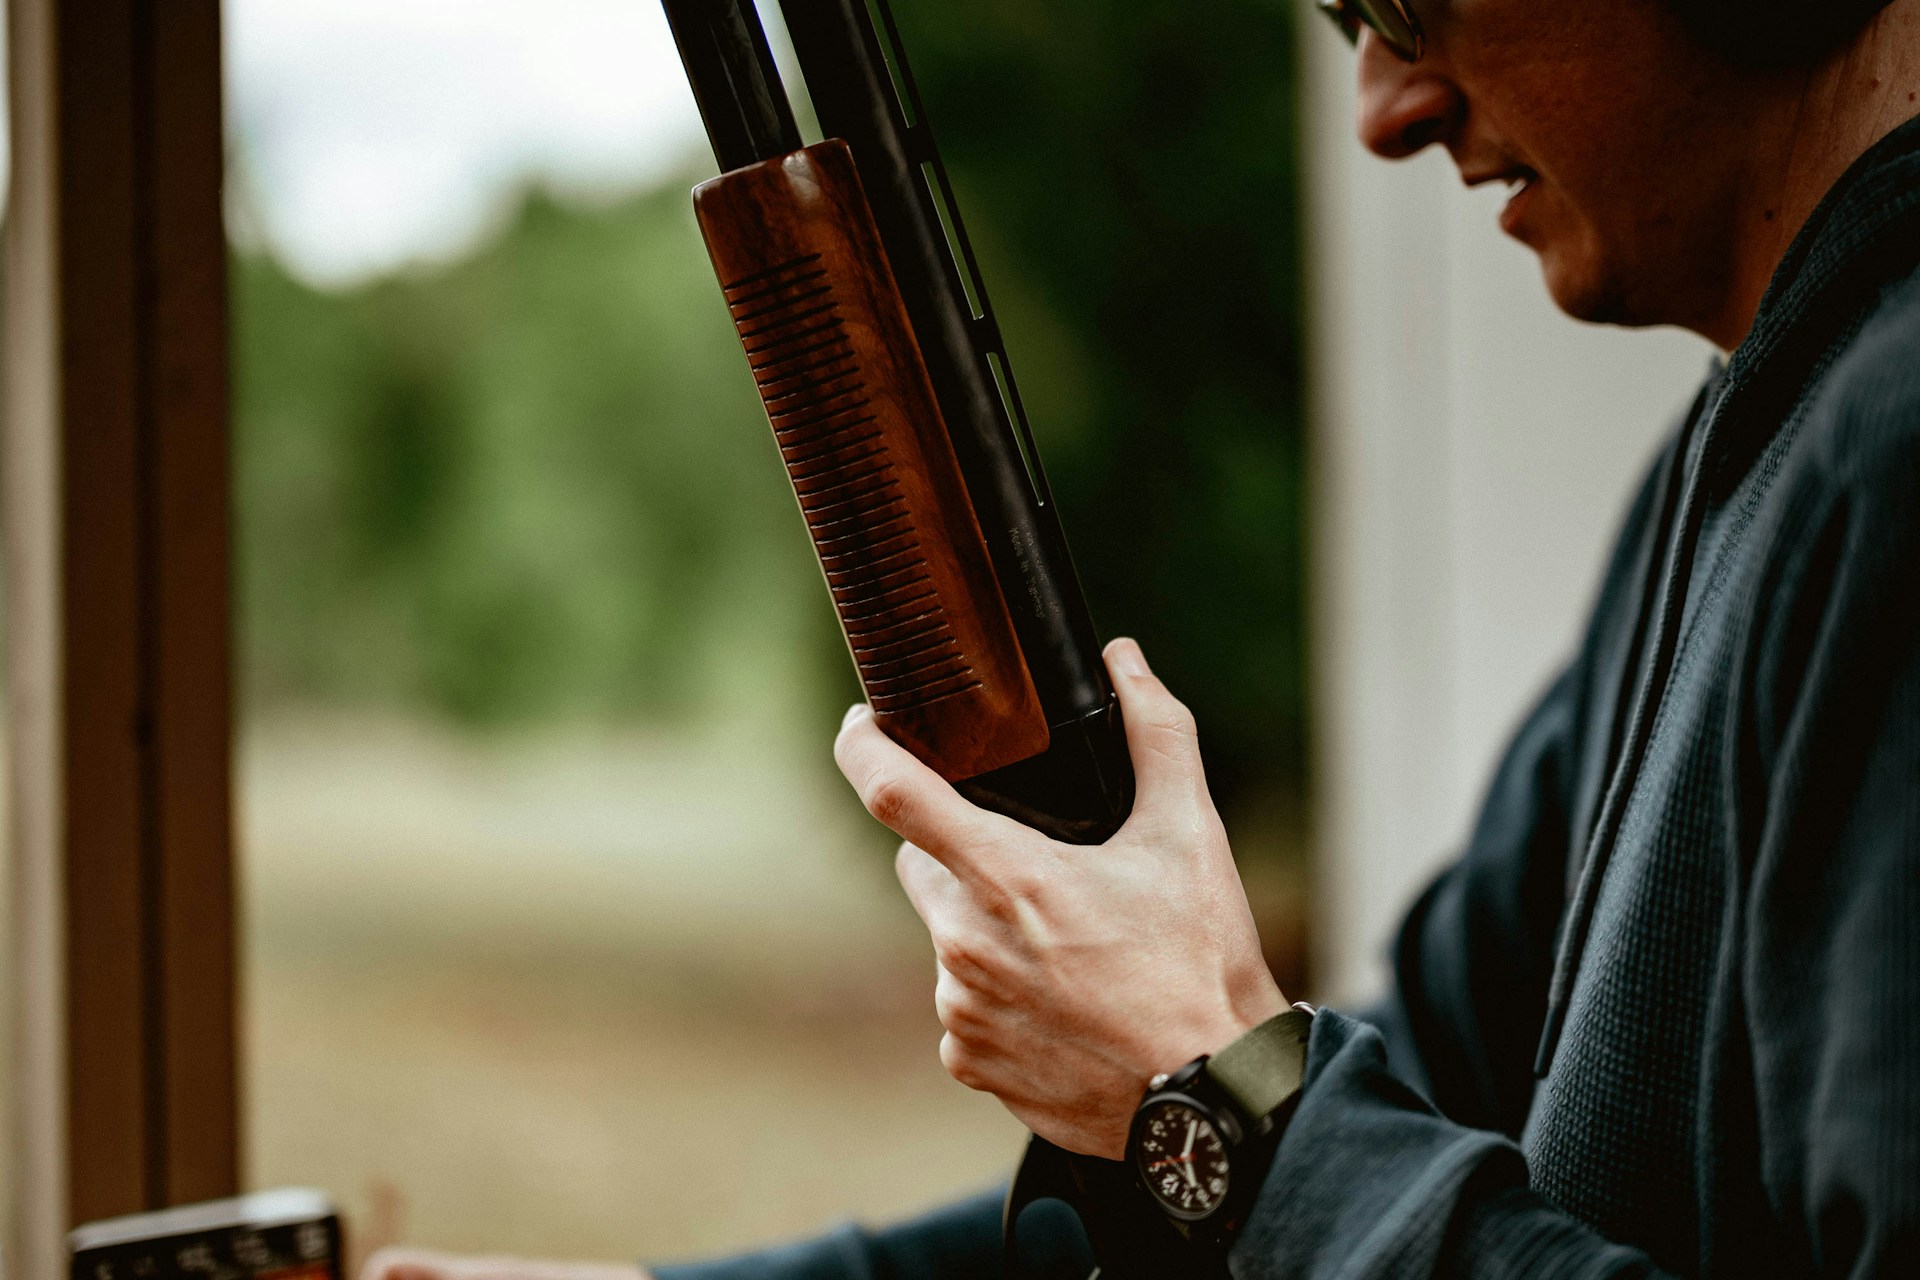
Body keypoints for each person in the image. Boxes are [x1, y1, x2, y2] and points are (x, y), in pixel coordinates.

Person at [369, 0, 1920, 1275]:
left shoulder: (1892, 448)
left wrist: (1225, 1110)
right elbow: (1437, 1071)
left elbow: (1303, 1142)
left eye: (1407, 3)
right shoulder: (1741, 457)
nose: (1383, 105)